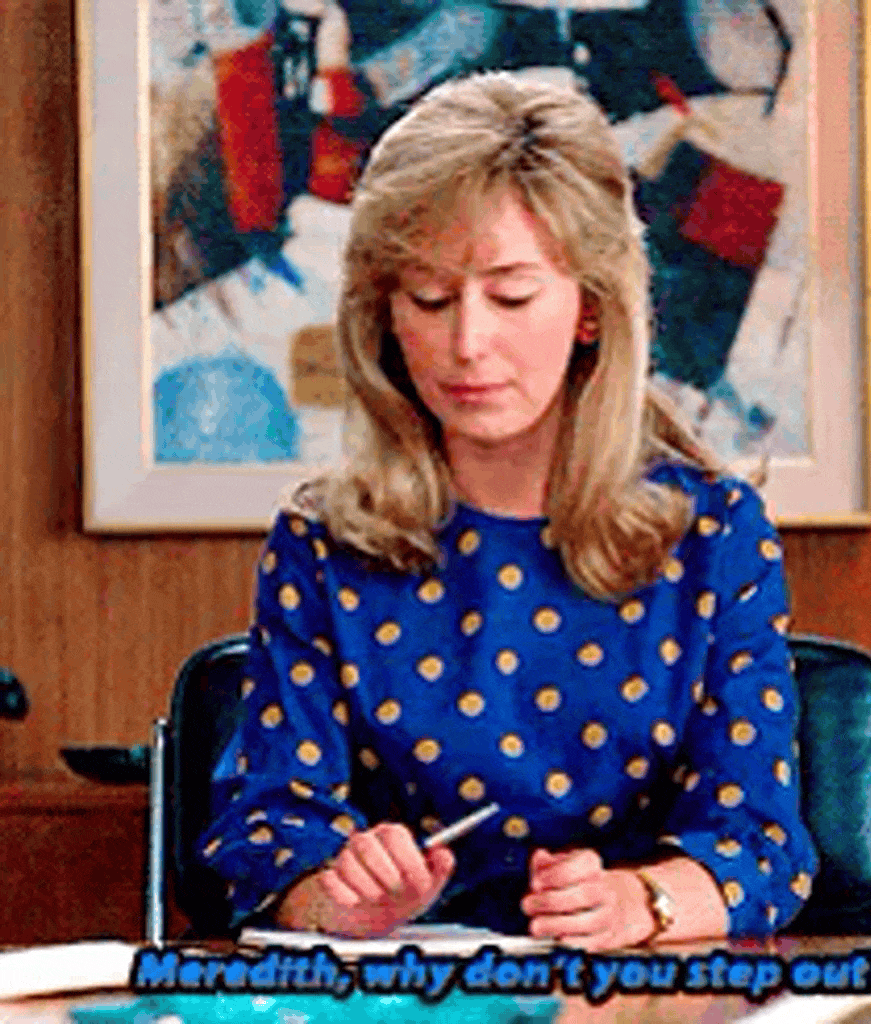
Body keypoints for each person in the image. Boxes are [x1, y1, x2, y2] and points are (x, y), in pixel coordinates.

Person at [197, 70, 818, 950]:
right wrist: (336, 900)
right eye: (429, 298)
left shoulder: (714, 534)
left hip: (642, 991)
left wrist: (639, 902)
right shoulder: (322, 543)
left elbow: (760, 845)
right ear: (385, 315)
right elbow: (267, 832)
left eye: (512, 296)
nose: (468, 343)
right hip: (404, 997)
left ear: (591, 308)